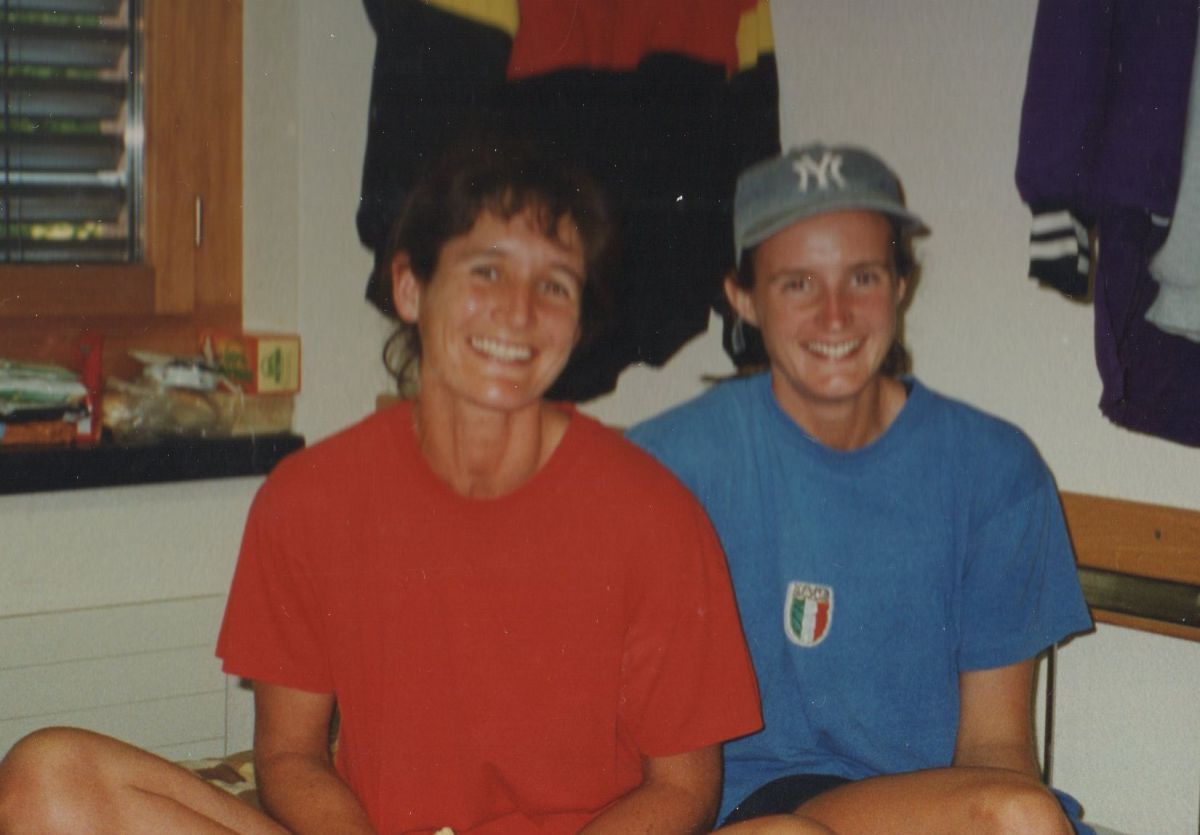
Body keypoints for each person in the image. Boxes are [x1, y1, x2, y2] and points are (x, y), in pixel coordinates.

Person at [0, 141, 834, 835]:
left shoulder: (653, 512)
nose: (519, 311)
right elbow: (289, 755)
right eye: (486, 271)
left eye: (554, 284)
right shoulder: (308, 497)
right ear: (409, 287)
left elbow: (684, 788)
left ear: (578, 323)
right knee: (47, 775)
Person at [628, 143, 1096, 835]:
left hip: (920, 808)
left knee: (1024, 815)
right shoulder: (667, 465)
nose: (836, 314)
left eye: (864, 277)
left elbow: (997, 750)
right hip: (743, 815)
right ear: (744, 298)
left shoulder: (995, 472)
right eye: (798, 284)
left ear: (902, 285)